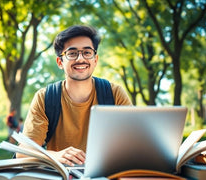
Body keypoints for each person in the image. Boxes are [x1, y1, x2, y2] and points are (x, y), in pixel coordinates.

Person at [21, 25, 132, 166]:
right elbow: (23, 153)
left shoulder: (115, 94)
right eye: (72, 53)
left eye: (87, 52)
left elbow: (133, 144)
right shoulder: (45, 98)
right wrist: (54, 155)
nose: (81, 59)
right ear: (60, 62)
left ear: (95, 60)